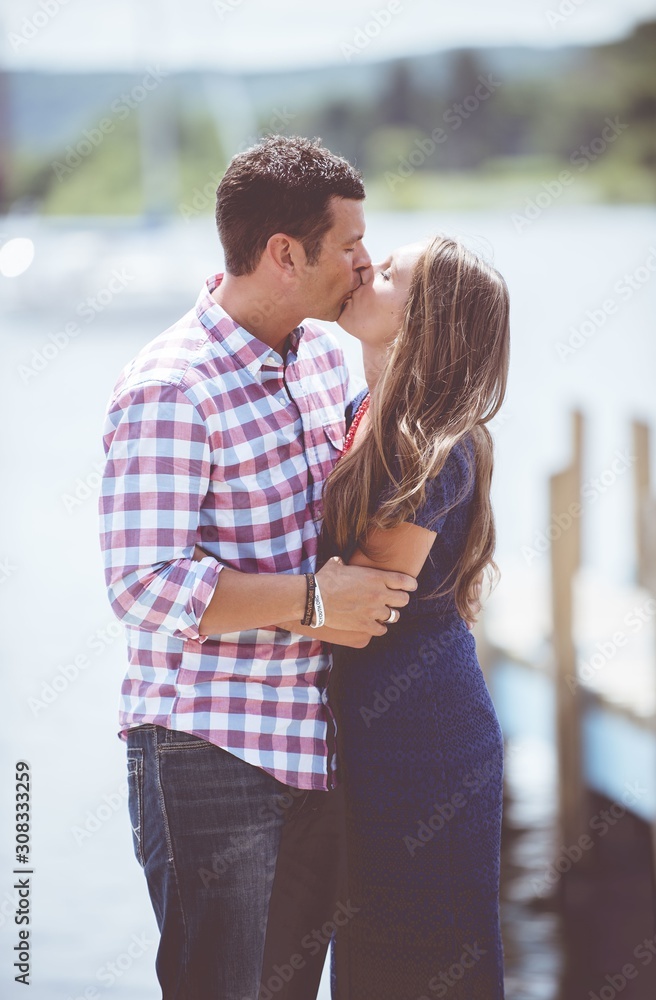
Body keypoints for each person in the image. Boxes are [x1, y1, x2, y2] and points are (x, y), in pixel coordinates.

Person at [97, 135, 417, 1000]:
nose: (363, 259)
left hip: (310, 755)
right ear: (285, 253)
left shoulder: (316, 358)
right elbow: (144, 584)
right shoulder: (172, 385)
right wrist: (315, 602)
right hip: (208, 758)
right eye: (349, 242)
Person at [320, 235, 511, 999]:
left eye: (391, 274)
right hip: (373, 731)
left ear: (425, 321)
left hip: (422, 745)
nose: (367, 268)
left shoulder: (430, 445)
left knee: (422, 966)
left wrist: (201, 600)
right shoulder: (364, 410)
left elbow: (357, 610)